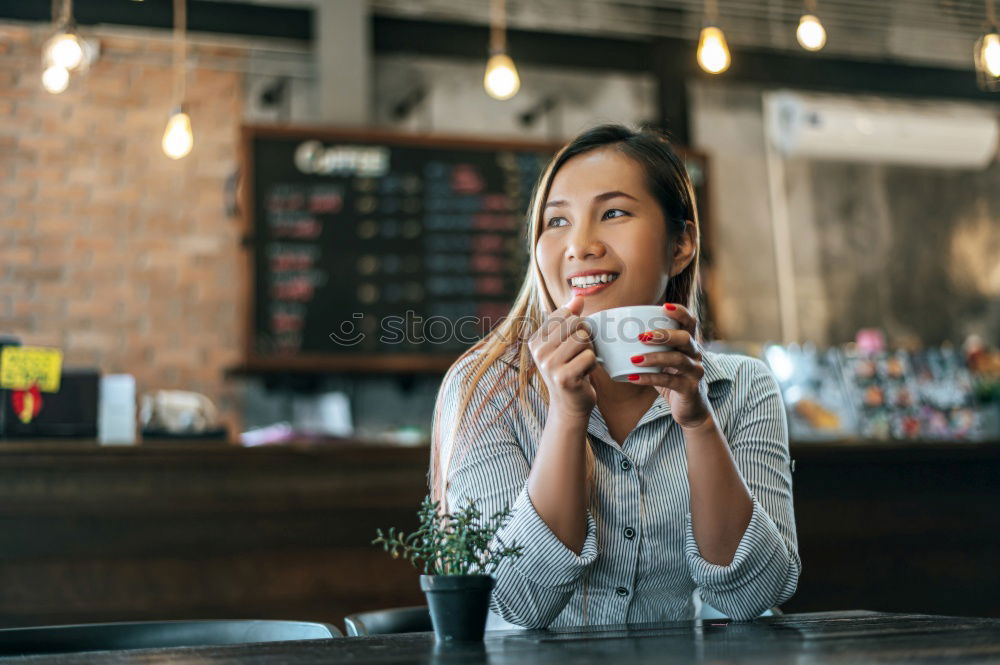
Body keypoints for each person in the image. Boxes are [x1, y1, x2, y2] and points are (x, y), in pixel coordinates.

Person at [429, 124, 799, 629]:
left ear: (681, 245)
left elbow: (753, 594)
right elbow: (514, 602)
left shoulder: (741, 388)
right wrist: (566, 415)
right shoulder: (487, 387)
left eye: (614, 213)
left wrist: (697, 423)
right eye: (556, 221)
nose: (579, 245)